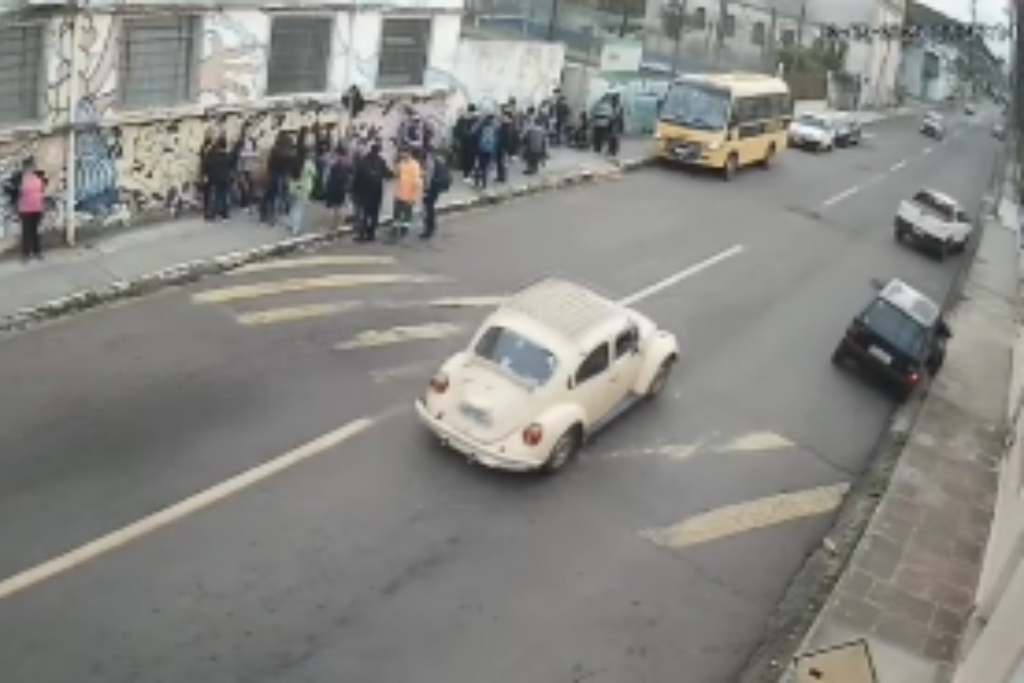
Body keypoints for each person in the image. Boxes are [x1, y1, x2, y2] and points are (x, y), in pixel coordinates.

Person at [6, 157, 47, 262]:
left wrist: (43, 205)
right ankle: (26, 255)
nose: (30, 168)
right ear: (24, 167)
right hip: (25, 209)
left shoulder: (39, 176)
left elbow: (43, 189)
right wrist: (15, 193)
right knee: (26, 232)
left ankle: (37, 252)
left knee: (35, 231)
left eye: (32, 166)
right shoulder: (19, 178)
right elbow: (10, 188)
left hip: (37, 208)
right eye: (28, 166)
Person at [351, 141, 389, 242]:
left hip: (364, 192)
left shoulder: (364, 161)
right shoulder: (381, 161)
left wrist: (353, 190)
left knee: (365, 214)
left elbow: (357, 177)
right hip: (377, 192)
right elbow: (387, 174)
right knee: (374, 214)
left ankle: (362, 234)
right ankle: (371, 234)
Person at [391, 149, 423, 241]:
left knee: (407, 213)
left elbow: (417, 182)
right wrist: (396, 164)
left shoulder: (415, 165)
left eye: (404, 153)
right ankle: (395, 228)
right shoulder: (401, 163)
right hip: (399, 193)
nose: (402, 154)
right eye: (402, 153)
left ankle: (404, 228)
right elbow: (396, 174)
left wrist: (414, 196)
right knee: (396, 212)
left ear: (409, 154)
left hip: (409, 194)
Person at [420, 149, 452, 240]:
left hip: (433, 187)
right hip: (437, 186)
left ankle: (428, 229)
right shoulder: (437, 161)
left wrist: (426, 190)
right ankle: (431, 226)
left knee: (428, 207)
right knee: (430, 206)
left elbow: (429, 178)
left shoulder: (430, 163)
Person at [202, 136, 234, 222]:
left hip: (216, 178)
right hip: (226, 178)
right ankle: (225, 215)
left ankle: (212, 215)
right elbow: (231, 165)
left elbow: (207, 165)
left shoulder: (213, 155)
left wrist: (206, 175)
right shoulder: (227, 155)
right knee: (224, 196)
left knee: (216, 197)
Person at [323, 143, 352, 231]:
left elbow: (326, 176)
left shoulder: (331, 163)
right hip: (340, 188)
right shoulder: (346, 163)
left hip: (333, 187)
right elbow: (349, 175)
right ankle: (337, 224)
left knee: (334, 207)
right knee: (339, 206)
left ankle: (334, 224)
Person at [286, 152, 317, 235]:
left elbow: (289, 175)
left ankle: (290, 224)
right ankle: (296, 228)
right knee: (299, 209)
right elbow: (314, 174)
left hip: (293, 187)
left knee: (293, 207)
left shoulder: (294, 162)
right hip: (304, 188)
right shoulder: (309, 164)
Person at [454, 104, 479, 182]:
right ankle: (467, 175)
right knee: (469, 159)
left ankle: (467, 174)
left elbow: (457, 131)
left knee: (467, 159)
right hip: (471, 143)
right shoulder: (474, 120)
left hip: (465, 143)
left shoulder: (462, 120)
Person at [473, 113, 498, 190]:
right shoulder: (494, 128)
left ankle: (476, 182)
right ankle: (484, 184)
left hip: (480, 149)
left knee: (478, 166)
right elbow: (496, 140)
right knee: (485, 167)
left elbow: (474, 134)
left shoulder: (480, 127)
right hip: (490, 150)